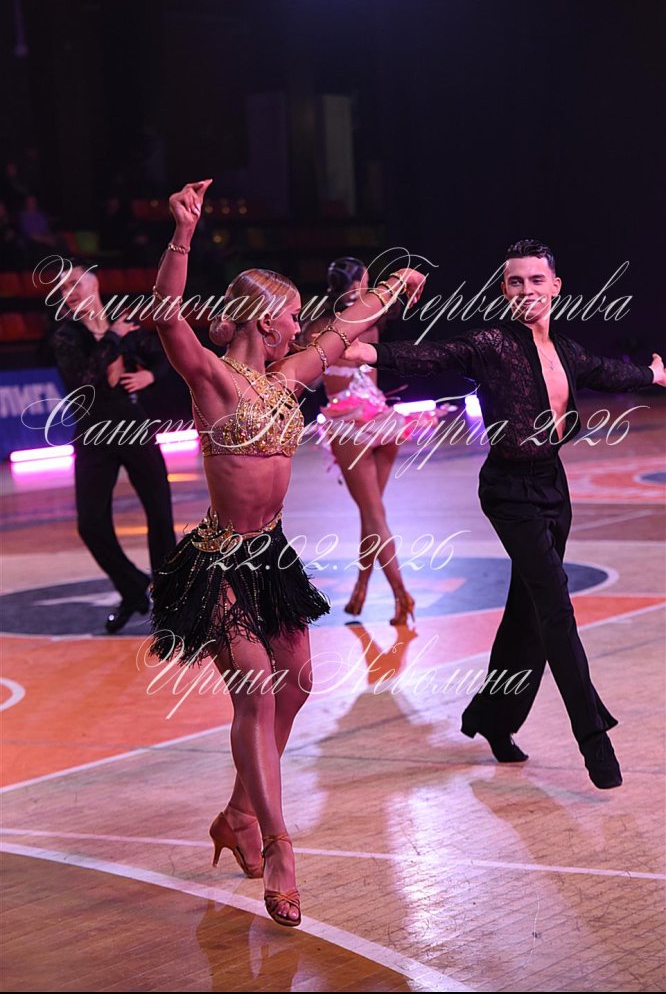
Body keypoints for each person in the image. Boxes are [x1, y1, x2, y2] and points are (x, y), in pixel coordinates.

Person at [146, 180, 425, 927]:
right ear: (265, 319)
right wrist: (183, 233)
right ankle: (278, 845)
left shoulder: (286, 379)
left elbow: (343, 326)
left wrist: (394, 284)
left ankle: (239, 813)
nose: (301, 327)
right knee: (258, 693)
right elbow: (165, 312)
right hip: (220, 560)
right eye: (293, 315)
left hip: (270, 556)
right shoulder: (212, 380)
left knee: (297, 683)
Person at [341, 238, 665, 790]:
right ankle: (595, 741)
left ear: (555, 287)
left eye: (536, 280)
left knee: (528, 614)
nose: (527, 290)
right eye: (516, 282)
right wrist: (368, 354)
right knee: (555, 607)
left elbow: (611, 372)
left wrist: (652, 376)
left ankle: (493, 717)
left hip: (553, 487)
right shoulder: (493, 343)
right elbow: (434, 355)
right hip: (509, 490)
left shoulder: (567, 351)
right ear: (504, 290)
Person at [300, 256, 439, 625]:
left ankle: (401, 594)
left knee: (374, 514)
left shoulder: (319, 328)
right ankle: (361, 588)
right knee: (372, 513)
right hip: (382, 419)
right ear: (359, 285)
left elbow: (305, 373)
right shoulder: (371, 322)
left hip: (349, 422)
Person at [52, 261, 177, 633]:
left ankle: (170, 599)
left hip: (133, 426)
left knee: (159, 514)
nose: (69, 292)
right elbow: (86, 381)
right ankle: (133, 587)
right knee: (90, 524)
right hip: (93, 432)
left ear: (95, 285)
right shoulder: (66, 336)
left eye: (75, 283)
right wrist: (112, 338)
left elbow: (166, 357)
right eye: (63, 288)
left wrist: (151, 374)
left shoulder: (126, 326)